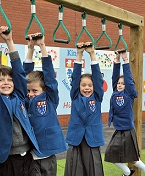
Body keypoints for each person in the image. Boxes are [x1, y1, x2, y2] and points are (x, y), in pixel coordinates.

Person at [0, 26, 41, 176]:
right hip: (5, 158)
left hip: (27, 155)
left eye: (9, 79)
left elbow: (19, 72)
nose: (6, 82)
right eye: (1, 80)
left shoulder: (19, 96)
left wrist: (9, 41)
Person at [23, 33, 68, 176]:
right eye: (28, 90)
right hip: (30, 155)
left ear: (44, 90)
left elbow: (49, 77)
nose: (30, 94)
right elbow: (23, 76)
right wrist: (30, 48)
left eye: (34, 91)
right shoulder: (24, 100)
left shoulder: (50, 98)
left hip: (48, 155)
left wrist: (42, 46)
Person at [64, 42, 105, 176]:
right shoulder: (75, 96)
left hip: (92, 139)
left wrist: (92, 53)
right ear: (78, 86)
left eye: (89, 85)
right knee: (75, 169)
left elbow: (98, 79)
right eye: (83, 85)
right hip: (76, 138)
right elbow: (75, 77)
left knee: (94, 169)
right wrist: (79, 54)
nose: (86, 88)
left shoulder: (97, 97)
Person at [104, 50, 145, 176]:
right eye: (119, 83)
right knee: (110, 155)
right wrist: (117, 59)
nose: (120, 85)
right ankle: (127, 172)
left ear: (128, 85)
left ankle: (130, 172)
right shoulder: (115, 93)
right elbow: (114, 76)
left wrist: (125, 60)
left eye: (123, 83)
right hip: (119, 130)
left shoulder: (129, 94)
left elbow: (128, 78)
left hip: (127, 130)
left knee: (134, 159)